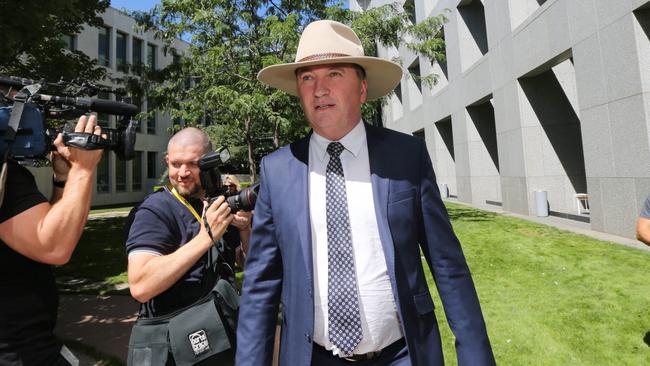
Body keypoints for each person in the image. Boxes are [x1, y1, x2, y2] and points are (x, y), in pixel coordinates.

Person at [236, 20, 495, 366]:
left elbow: (447, 265)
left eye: (334, 74)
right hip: (313, 358)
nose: (319, 89)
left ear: (362, 89)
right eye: (307, 78)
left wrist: (476, 357)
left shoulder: (407, 157)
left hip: (402, 355)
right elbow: (261, 286)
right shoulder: (277, 169)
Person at [125, 127, 251, 361]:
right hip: (176, 347)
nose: (182, 173)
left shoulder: (217, 204)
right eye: (175, 164)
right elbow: (141, 286)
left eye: (192, 164)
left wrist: (245, 231)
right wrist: (207, 235)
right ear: (167, 161)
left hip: (221, 337)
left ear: (211, 163)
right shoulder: (154, 211)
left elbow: (246, 264)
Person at [0, 113, 104, 365]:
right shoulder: (5, 176)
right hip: (21, 352)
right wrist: (83, 168)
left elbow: (44, 231)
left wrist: (64, 180)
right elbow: (54, 248)